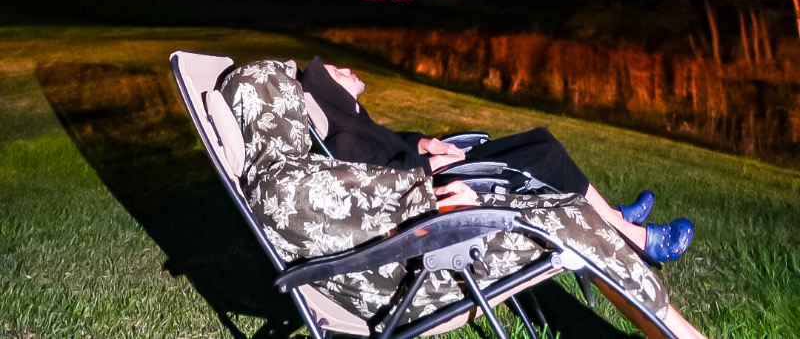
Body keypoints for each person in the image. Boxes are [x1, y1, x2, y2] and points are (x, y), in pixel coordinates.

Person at [222, 58, 710, 339]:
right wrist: (425, 187)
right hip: (401, 271)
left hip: (411, 241)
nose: (343, 71)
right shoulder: (283, 184)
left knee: (568, 211)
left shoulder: (297, 166)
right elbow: (328, 192)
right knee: (573, 222)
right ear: (274, 101)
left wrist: (423, 166)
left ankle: (659, 303)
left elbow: (363, 178)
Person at [299, 56, 694, 264]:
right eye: (337, 72)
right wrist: (429, 167)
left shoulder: (357, 121)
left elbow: (394, 143)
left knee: (541, 141)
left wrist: (426, 143)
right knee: (544, 156)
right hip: (445, 191)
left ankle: (614, 216)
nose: (346, 69)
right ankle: (639, 239)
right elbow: (376, 183)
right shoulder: (346, 138)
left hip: (441, 171)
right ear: (330, 94)